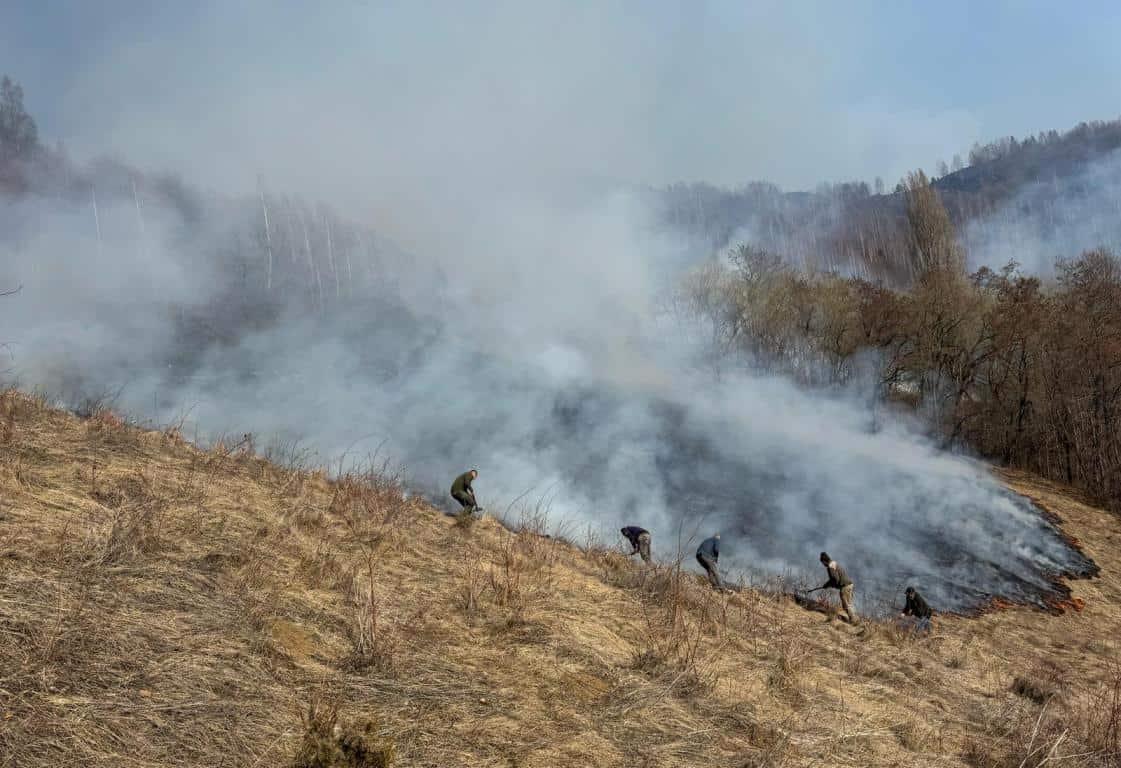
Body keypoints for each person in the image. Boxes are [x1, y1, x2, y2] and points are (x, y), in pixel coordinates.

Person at [819, 551, 857, 623]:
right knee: (849, 603)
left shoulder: (830, 567)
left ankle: (853, 621)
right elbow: (835, 579)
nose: (823, 564)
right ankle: (854, 619)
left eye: (822, 563)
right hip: (849, 584)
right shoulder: (834, 563)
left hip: (845, 587)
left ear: (824, 561)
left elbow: (835, 579)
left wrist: (827, 585)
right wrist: (829, 585)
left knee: (846, 605)